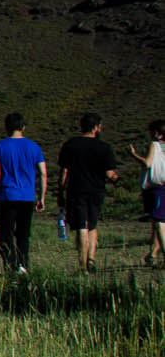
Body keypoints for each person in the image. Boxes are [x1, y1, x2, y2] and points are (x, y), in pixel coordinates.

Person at [57, 113, 119, 273]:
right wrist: (116, 179)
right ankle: (91, 259)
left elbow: (64, 171)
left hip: (76, 190)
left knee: (81, 227)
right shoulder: (104, 147)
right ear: (97, 127)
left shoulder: (71, 145)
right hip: (96, 191)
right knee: (93, 225)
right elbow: (109, 173)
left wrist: (60, 190)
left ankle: (82, 265)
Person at [0, 112, 47, 274]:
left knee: (6, 233)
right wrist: (41, 196)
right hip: (27, 196)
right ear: (23, 127)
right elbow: (43, 173)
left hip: (7, 196)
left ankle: (10, 265)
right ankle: (23, 265)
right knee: (23, 234)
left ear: (7, 127)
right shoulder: (35, 147)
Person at [132, 119, 165, 267]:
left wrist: (133, 155)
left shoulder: (155, 145)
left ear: (156, 133)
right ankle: (152, 254)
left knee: (159, 222)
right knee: (158, 222)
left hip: (157, 188)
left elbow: (147, 163)